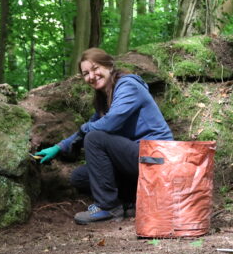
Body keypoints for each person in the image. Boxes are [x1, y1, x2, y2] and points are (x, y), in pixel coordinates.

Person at [34, 48, 173, 224]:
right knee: (81, 177)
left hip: (157, 158)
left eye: (95, 68)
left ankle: (108, 207)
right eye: (85, 73)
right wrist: (59, 147)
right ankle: (131, 203)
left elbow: (107, 124)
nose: (91, 76)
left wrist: (84, 130)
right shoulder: (105, 97)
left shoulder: (128, 85)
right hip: (138, 160)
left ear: (109, 65)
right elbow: (90, 127)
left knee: (95, 138)